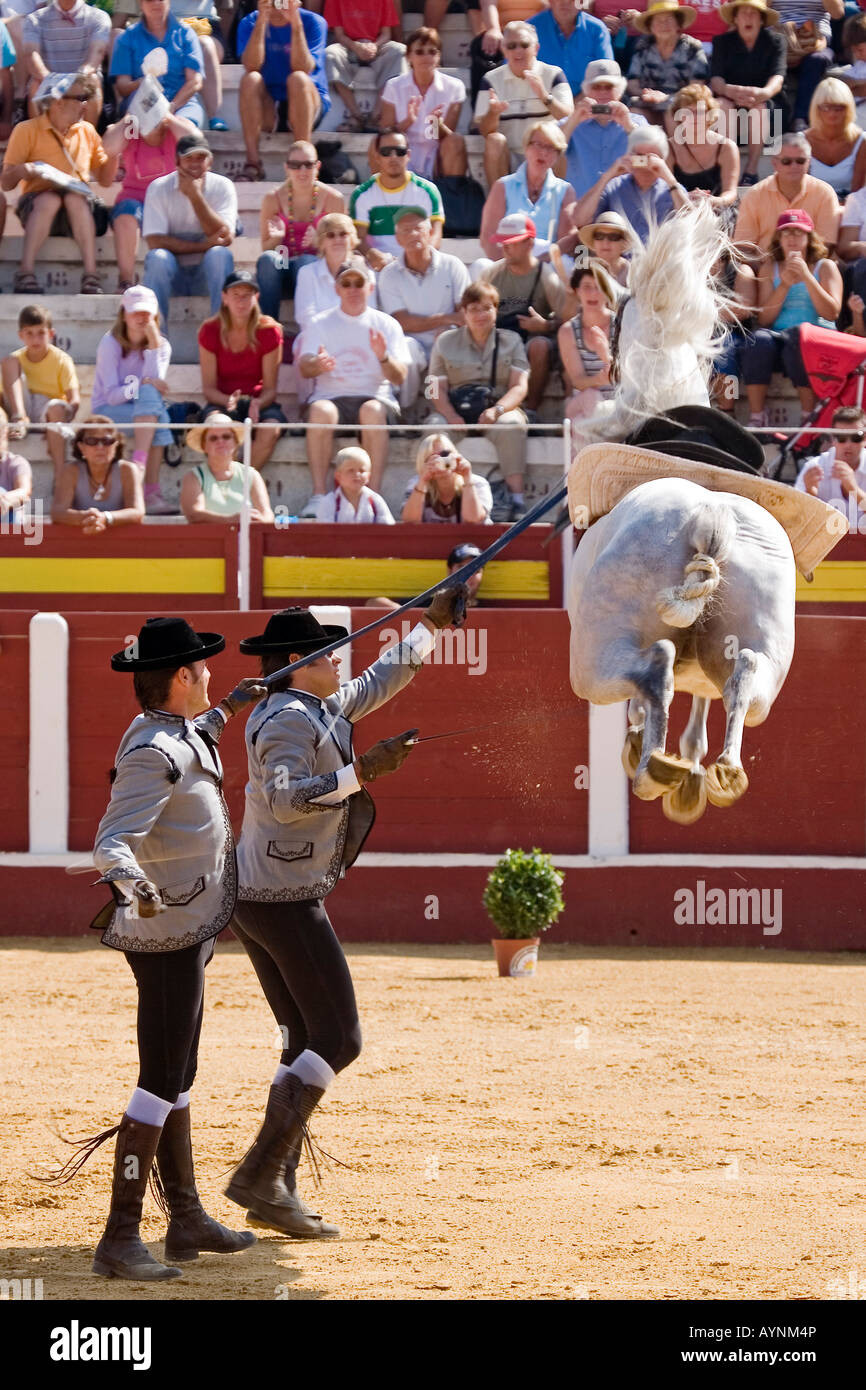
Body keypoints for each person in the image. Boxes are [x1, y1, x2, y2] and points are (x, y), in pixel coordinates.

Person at [225, 591, 467, 1238]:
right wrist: (359, 773)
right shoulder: (284, 719)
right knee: (341, 1039)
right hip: (281, 898)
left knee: (305, 1039)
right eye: (331, 653)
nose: (342, 661)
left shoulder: (312, 705)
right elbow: (282, 800)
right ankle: (259, 1172)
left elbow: (379, 680)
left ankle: (273, 1186)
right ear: (301, 661)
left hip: (264, 893)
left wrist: (431, 628)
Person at [62, 617, 265, 1281]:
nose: (210, 675)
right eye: (204, 670)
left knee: (177, 1075)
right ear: (182, 677)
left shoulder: (173, 731)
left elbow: (194, 737)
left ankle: (184, 1217)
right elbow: (110, 840)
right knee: (158, 1083)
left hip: (189, 926)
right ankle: (120, 1236)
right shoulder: (154, 749)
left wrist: (231, 706)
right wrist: (139, 888)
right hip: (167, 930)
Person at [295, 259, 410, 511]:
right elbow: (304, 367)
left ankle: (373, 498)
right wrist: (318, 364)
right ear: (337, 289)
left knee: (372, 410)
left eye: (359, 283)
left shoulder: (387, 324)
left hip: (376, 398)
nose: (353, 289)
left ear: (370, 287)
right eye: (346, 283)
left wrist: (383, 357)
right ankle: (318, 495)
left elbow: (399, 376)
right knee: (321, 411)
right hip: (331, 397)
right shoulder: (320, 322)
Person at [1, 71, 116, 295]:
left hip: (80, 210)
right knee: (49, 199)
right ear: (58, 102)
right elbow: (5, 184)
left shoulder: (87, 131)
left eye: (86, 98)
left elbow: (105, 179)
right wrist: (22, 170)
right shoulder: (26, 130)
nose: (86, 104)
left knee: (75, 198)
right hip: (38, 209)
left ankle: (91, 276)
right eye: (80, 98)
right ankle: (25, 273)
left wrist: (116, 152)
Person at [427, 280, 530, 521]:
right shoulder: (444, 342)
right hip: (456, 409)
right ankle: (437, 499)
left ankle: (517, 499)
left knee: (512, 425)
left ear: (496, 311)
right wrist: (450, 415)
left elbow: (519, 385)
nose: (480, 314)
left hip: (498, 407)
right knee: (433, 430)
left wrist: (498, 409)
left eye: (486, 308)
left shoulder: (512, 341)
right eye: (473, 309)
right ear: (463, 312)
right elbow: (433, 388)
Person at [741, 207, 843, 426]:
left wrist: (807, 277)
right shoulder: (770, 267)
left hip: (816, 339)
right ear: (779, 237)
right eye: (787, 232)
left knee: (798, 337)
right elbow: (765, 320)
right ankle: (757, 416)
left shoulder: (826, 267)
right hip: (780, 337)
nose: (792, 238)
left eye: (799, 232)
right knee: (757, 340)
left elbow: (831, 312)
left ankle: (809, 416)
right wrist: (785, 284)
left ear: (809, 237)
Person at [92, 285, 174, 515]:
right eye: (135, 312)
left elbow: (154, 388)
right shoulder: (110, 343)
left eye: (146, 312)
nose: (141, 317)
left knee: (153, 406)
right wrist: (141, 385)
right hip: (107, 409)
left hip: (142, 410)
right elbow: (111, 396)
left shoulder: (162, 346)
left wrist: (153, 347)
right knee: (157, 415)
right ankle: (149, 489)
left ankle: (141, 473)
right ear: (124, 314)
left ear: (155, 314)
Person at [377, 206, 470, 409]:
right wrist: (446, 318)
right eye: (405, 230)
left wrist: (447, 326)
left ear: (429, 232)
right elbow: (401, 322)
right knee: (406, 349)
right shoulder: (389, 274)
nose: (412, 234)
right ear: (397, 239)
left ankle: (439, 410)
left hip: (447, 335)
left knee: (445, 342)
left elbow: (464, 315)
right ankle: (405, 411)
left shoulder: (453, 265)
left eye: (418, 228)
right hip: (412, 339)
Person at [142, 130, 237, 328]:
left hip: (207, 274)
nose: (195, 163)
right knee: (157, 258)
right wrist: (204, 245)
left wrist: (195, 196)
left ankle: (221, 334)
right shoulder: (158, 187)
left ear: (210, 161)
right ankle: (157, 338)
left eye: (200, 157)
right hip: (172, 275)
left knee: (220, 255)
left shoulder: (223, 186)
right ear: (177, 161)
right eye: (188, 158)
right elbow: (154, 242)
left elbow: (225, 237)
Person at [198, 270, 285, 472]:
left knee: (271, 429)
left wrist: (258, 403)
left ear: (256, 298)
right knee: (220, 426)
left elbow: (271, 389)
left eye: (247, 295)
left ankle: (239, 483)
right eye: (235, 294)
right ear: (224, 298)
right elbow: (209, 389)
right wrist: (228, 401)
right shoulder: (210, 330)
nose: (241, 301)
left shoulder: (269, 331)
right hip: (222, 400)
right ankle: (226, 479)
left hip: (258, 400)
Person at [480, 212, 567, 413]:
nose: (505, 248)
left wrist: (546, 326)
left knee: (539, 346)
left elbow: (569, 320)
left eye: (511, 242)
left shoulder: (547, 277)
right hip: (497, 340)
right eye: (503, 243)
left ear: (529, 243)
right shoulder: (491, 274)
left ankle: (532, 411)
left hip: (531, 342)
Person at [106, 110, 199, 294]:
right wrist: (129, 118)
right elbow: (107, 148)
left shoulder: (176, 126)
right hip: (135, 197)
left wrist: (169, 118)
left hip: (169, 198)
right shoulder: (130, 131)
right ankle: (126, 280)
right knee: (126, 212)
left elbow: (197, 142)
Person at [237, 0, 330, 182]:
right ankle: (253, 163)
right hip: (269, 104)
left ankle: (303, 161)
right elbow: (251, 65)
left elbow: (303, 67)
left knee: (298, 78)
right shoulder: (250, 22)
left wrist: (295, 24)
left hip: (307, 101)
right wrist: (262, 20)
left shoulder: (313, 22)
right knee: (250, 79)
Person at [474, 20, 573, 187]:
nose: (518, 50)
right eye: (511, 46)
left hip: (546, 152)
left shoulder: (554, 74)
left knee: (562, 142)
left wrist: (544, 96)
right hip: (510, 155)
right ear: (504, 51)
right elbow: (485, 131)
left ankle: (557, 207)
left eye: (524, 45)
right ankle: (498, 208)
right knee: (494, 140)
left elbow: (569, 119)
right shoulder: (490, 79)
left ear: (536, 48)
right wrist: (493, 113)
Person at [256, 143, 345, 321]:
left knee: (305, 262)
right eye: (296, 165)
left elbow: (343, 248)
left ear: (317, 166)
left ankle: (310, 324)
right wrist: (277, 239)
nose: (302, 170)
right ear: (287, 167)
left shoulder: (333, 199)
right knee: (268, 260)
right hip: (283, 265)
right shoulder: (272, 198)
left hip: (315, 267)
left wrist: (320, 243)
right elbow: (265, 247)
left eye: (308, 165)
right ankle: (268, 326)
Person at [710, 0, 787, 185]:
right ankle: (725, 170)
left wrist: (761, 93)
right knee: (722, 105)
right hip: (732, 104)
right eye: (743, 13)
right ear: (735, 19)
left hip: (769, 110)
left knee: (758, 108)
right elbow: (716, 80)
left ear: (761, 19)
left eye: (754, 13)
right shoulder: (722, 42)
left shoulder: (776, 41)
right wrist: (732, 91)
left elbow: (778, 77)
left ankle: (750, 172)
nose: (748, 17)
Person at [733, 129, 840, 259]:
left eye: (800, 161)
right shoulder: (755, 194)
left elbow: (827, 244)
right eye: (786, 161)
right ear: (774, 163)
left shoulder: (824, 193)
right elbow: (744, 246)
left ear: (809, 162)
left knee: (829, 267)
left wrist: (801, 269)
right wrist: (768, 270)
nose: (794, 166)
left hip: (811, 265)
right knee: (745, 273)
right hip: (764, 267)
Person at [479, 119, 578, 260]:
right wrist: (511, 266)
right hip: (507, 261)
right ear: (526, 147)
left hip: (547, 263)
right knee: (481, 266)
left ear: (557, 155)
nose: (543, 152)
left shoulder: (565, 191)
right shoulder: (503, 186)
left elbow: (567, 239)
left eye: (551, 148)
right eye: (538, 145)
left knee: (567, 264)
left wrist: (538, 265)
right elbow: (488, 236)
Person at [1, 303, 79, 483]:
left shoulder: (61, 359)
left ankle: (60, 475)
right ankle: (19, 420)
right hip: (20, 407)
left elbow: (74, 399)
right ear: (21, 335)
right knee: (8, 361)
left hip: (48, 412)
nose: (36, 339)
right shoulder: (15, 359)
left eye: (41, 333)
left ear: (51, 334)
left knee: (57, 407)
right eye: (29, 333)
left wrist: (60, 422)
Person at [574, 124, 690, 243]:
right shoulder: (614, 186)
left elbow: (692, 223)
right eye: (639, 157)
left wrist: (669, 179)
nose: (645, 164)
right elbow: (580, 221)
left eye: (651, 157)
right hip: (621, 259)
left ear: (662, 159)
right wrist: (607, 176)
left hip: (659, 259)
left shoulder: (673, 189)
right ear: (629, 155)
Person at [379, 25, 467, 179]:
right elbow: (385, 134)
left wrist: (436, 124)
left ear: (438, 56)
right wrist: (408, 121)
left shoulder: (454, 86)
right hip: (402, 153)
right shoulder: (393, 86)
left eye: (432, 52)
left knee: (455, 141)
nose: (426, 57)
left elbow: (446, 138)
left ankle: (448, 197)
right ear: (408, 57)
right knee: (377, 144)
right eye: (419, 52)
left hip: (437, 157)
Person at [350, 128, 444, 269]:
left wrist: (416, 259)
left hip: (418, 264)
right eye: (386, 152)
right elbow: (359, 238)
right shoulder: (362, 194)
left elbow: (435, 234)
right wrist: (372, 254)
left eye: (399, 152)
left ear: (408, 155)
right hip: (378, 268)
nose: (393, 157)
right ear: (377, 157)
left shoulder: (427, 191)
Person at [560, 56, 647, 202]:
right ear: (587, 92)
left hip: (626, 205)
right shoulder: (572, 122)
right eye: (596, 87)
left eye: (609, 87)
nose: (602, 93)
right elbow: (551, 151)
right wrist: (574, 120)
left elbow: (647, 162)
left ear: (619, 92)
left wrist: (628, 127)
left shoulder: (637, 122)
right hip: (581, 207)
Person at [110, 0, 205, 129]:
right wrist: (141, 83)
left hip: (182, 103)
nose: (155, 3)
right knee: (150, 122)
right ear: (140, 3)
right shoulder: (127, 38)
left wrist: (172, 107)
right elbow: (122, 87)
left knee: (185, 128)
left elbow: (195, 81)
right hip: (143, 99)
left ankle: (191, 147)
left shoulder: (186, 33)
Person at [22, 0, 110, 125]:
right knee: (35, 85)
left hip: (81, 81)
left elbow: (97, 53)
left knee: (93, 81)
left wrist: (77, 79)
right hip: (48, 82)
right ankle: (39, 139)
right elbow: (31, 54)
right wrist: (51, 80)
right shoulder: (34, 19)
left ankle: (88, 139)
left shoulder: (99, 17)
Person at [323, 0, 406, 132]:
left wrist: (374, 46)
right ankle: (355, 115)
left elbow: (386, 34)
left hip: (377, 45)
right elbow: (339, 35)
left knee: (400, 51)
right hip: (348, 45)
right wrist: (355, 46)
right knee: (330, 53)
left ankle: (376, 116)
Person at [51, 416, 145, 531]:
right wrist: (85, 518)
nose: (100, 447)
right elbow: (57, 512)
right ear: (81, 447)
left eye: (107, 441)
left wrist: (105, 518)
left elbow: (137, 512)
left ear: (116, 445)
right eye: (92, 441)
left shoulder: (128, 470)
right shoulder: (70, 470)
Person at [180, 412, 275, 523]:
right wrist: (231, 520)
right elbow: (194, 515)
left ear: (235, 442)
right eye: (213, 438)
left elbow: (268, 515)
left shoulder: (251, 474)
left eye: (226, 436)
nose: (220, 441)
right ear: (204, 446)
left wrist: (259, 520)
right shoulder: (193, 476)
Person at [667, 83, 740, 216]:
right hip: (681, 208)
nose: (694, 117)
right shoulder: (669, 148)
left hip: (719, 209)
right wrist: (685, 197)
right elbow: (665, 190)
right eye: (688, 112)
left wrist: (712, 201)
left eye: (700, 112)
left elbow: (731, 192)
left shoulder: (727, 147)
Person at [626, 0, 708, 118]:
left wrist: (666, 98)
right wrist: (648, 95)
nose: (664, 24)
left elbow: (697, 86)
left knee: (670, 111)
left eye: (669, 19)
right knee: (634, 114)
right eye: (658, 20)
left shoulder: (693, 47)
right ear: (651, 26)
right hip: (648, 104)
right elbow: (632, 83)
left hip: (682, 105)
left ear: (678, 24)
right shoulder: (642, 47)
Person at [558, 262, 615, 423]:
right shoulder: (567, 331)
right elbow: (578, 382)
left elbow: (627, 378)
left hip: (618, 405)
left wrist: (605, 355)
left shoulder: (622, 325)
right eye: (587, 286)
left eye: (599, 287)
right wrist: (603, 378)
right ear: (577, 291)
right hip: (583, 403)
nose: (593, 293)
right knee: (592, 398)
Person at [294, 213, 376, 324]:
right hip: (318, 338)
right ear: (321, 242)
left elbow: (369, 316)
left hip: (357, 337)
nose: (337, 239)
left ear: (352, 240)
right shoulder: (307, 273)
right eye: (330, 235)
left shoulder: (367, 274)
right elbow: (305, 317)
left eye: (343, 234)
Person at [400, 431, 493, 521]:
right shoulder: (417, 483)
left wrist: (467, 478)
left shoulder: (477, 483)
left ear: (456, 455)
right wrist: (423, 481)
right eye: (433, 458)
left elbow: (474, 519)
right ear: (423, 463)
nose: (441, 461)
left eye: (445, 454)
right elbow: (410, 521)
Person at [794, 404, 866, 515]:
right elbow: (795, 516)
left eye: (856, 437)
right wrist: (810, 493)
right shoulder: (815, 466)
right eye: (841, 437)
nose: (848, 444)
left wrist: (854, 489)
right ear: (833, 439)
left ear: (865, 439)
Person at [530, 0, 613, 94]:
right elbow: (516, 72)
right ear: (550, 1)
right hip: (541, 102)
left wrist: (576, 104)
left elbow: (605, 75)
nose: (565, 2)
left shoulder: (597, 29)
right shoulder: (530, 30)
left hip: (588, 102)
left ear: (581, 2)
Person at [805, 76, 866, 197]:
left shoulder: (861, 141)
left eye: (838, 107)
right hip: (811, 207)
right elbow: (801, 190)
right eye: (826, 107)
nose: (832, 113)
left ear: (849, 109)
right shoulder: (802, 141)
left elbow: (857, 192)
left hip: (849, 208)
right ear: (816, 108)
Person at [314, 445, 395, 522]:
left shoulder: (375, 501)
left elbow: (388, 530)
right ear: (338, 476)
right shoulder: (329, 502)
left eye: (362, 471)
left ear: (368, 476)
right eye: (350, 470)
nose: (357, 474)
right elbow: (324, 532)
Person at [577, 209, 635, 285]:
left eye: (613, 237)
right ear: (594, 241)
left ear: (624, 242)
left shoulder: (633, 274)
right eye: (599, 236)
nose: (605, 242)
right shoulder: (582, 270)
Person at [0, 407, 33, 525]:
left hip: (10, 523)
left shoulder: (16, 462)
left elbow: (24, 492)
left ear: (5, 431)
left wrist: (4, 499)